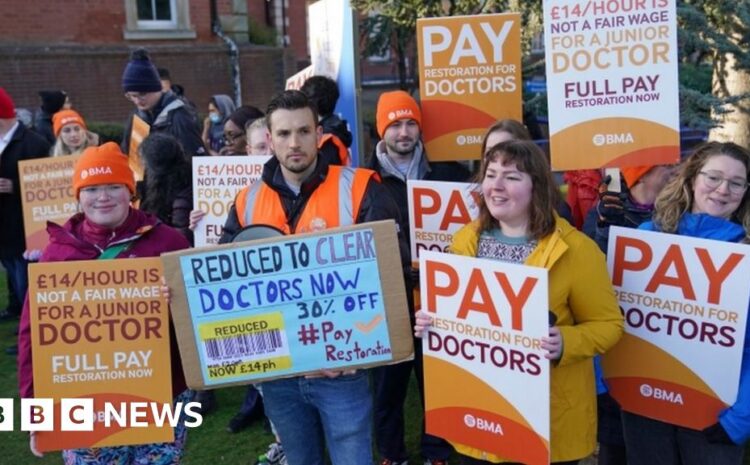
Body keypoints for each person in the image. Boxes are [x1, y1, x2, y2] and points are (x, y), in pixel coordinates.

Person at [220, 89, 402, 465]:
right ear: (269, 139)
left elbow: (391, 271)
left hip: (342, 369)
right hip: (280, 373)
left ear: (319, 133)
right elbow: (225, 282)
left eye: (304, 131)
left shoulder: (361, 186)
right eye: (284, 134)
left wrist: (361, 350)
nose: (295, 142)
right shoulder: (246, 201)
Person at [415, 140, 624, 465]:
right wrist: (432, 322)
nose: (496, 186)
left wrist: (565, 342)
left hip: (546, 422)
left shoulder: (577, 250)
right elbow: (455, 316)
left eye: (511, 177)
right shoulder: (465, 240)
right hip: (479, 416)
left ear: (536, 187)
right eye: (490, 174)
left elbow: (609, 325)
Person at [17, 142, 193, 463]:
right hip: (86, 400)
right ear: (78, 196)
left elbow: (199, 318)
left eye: (114, 186)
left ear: (131, 191)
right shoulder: (57, 254)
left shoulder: (169, 241)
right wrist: (36, 412)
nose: (103, 196)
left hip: (162, 394)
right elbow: (32, 336)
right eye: (92, 188)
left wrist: (176, 303)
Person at [621, 141, 750, 465]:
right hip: (645, 404)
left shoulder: (746, 253)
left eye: (736, 183)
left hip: (715, 414)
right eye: (714, 178)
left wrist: (739, 421)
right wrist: (610, 381)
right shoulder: (649, 236)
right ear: (692, 178)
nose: (723, 190)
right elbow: (619, 317)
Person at [367, 89, 470, 465]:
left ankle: (437, 452)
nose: (404, 132)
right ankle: (391, 455)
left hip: (439, 298)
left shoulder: (449, 173)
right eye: (395, 124)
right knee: (388, 387)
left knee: (438, 382)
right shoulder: (365, 180)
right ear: (383, 130)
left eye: (410, 123)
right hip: (389, 298)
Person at [581, 163, 674, 465]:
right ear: (643, 173)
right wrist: (607, 229)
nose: (674, 170)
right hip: (615, 348)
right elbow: (589, 270)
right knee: (615, 441)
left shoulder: (677, 216)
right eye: (666, 167)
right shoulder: (605, 210)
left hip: (659, 349)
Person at [0, 88, 50, 351]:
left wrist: (15, 186)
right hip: (4, 231)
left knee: (26, 286)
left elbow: (47, 186)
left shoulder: (34, 143)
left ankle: (31, 338)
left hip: (25, 231)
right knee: (15, 280)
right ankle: (26, 333)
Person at [481, 119, 573, 224]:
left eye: (508, 150)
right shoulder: (470, 229)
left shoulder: (556, 211)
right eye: (490, 152)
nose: (498, 157)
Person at [120, 48, 205, 157]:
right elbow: (126, 155)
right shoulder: (136, 117)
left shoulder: (180, 117)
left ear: (155, 88)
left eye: (142, 94)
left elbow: (195, 159)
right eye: (132, 96)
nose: (137, 101)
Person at [137, 133, 193, 244]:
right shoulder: (184, 181)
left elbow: (180, 241)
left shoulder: (181, 199)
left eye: (143, 162)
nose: (141, 166)